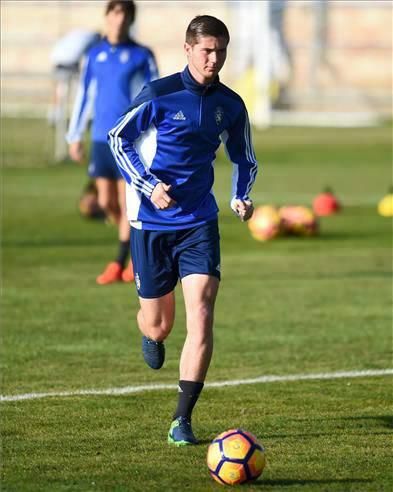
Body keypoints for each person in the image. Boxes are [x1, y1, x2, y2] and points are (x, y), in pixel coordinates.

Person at [108, 15, 257, 445]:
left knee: (204, 314)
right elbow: (118, 138)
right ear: (188, 49)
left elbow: (244, 158)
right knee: (159, 326)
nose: (214, 59)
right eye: (207, 50)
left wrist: (240, 196)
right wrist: (147, 185)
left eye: (221, 51)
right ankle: (148, 331)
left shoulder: (230, 104)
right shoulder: (160, 93)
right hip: (151, 223)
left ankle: (182, 419)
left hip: (198, 222)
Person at [66, 0, 158, 285]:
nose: (119, 19)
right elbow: (84, 95)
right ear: (107, 17)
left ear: (130, 20)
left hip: (127, 138)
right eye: (115, 12)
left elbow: (154, 93)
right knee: (105, 202)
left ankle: (120, 263)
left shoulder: (142, 55)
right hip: (99, 138)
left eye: (125, 14)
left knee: (124, 202)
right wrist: (74, 135)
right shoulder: (94, 55)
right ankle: (132, 248)